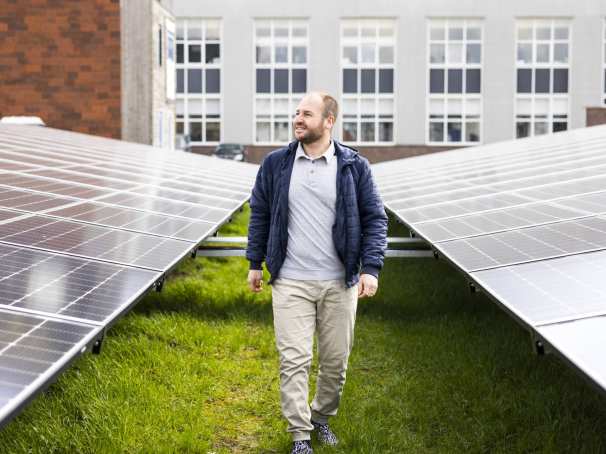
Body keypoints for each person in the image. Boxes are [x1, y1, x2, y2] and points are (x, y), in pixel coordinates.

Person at [246, 92, 388, 454]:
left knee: (335, 362)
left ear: (328, 121)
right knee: (294, 359)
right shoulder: (276, 164)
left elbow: (375, 219)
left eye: (306, 114)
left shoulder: (354, 166)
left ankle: (321, 417)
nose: (298, 119)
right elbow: (260, 213)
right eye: (296, 113)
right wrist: (254, 263)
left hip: (339, 282)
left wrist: (370, 268)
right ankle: (300, 436)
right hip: (290, 279)